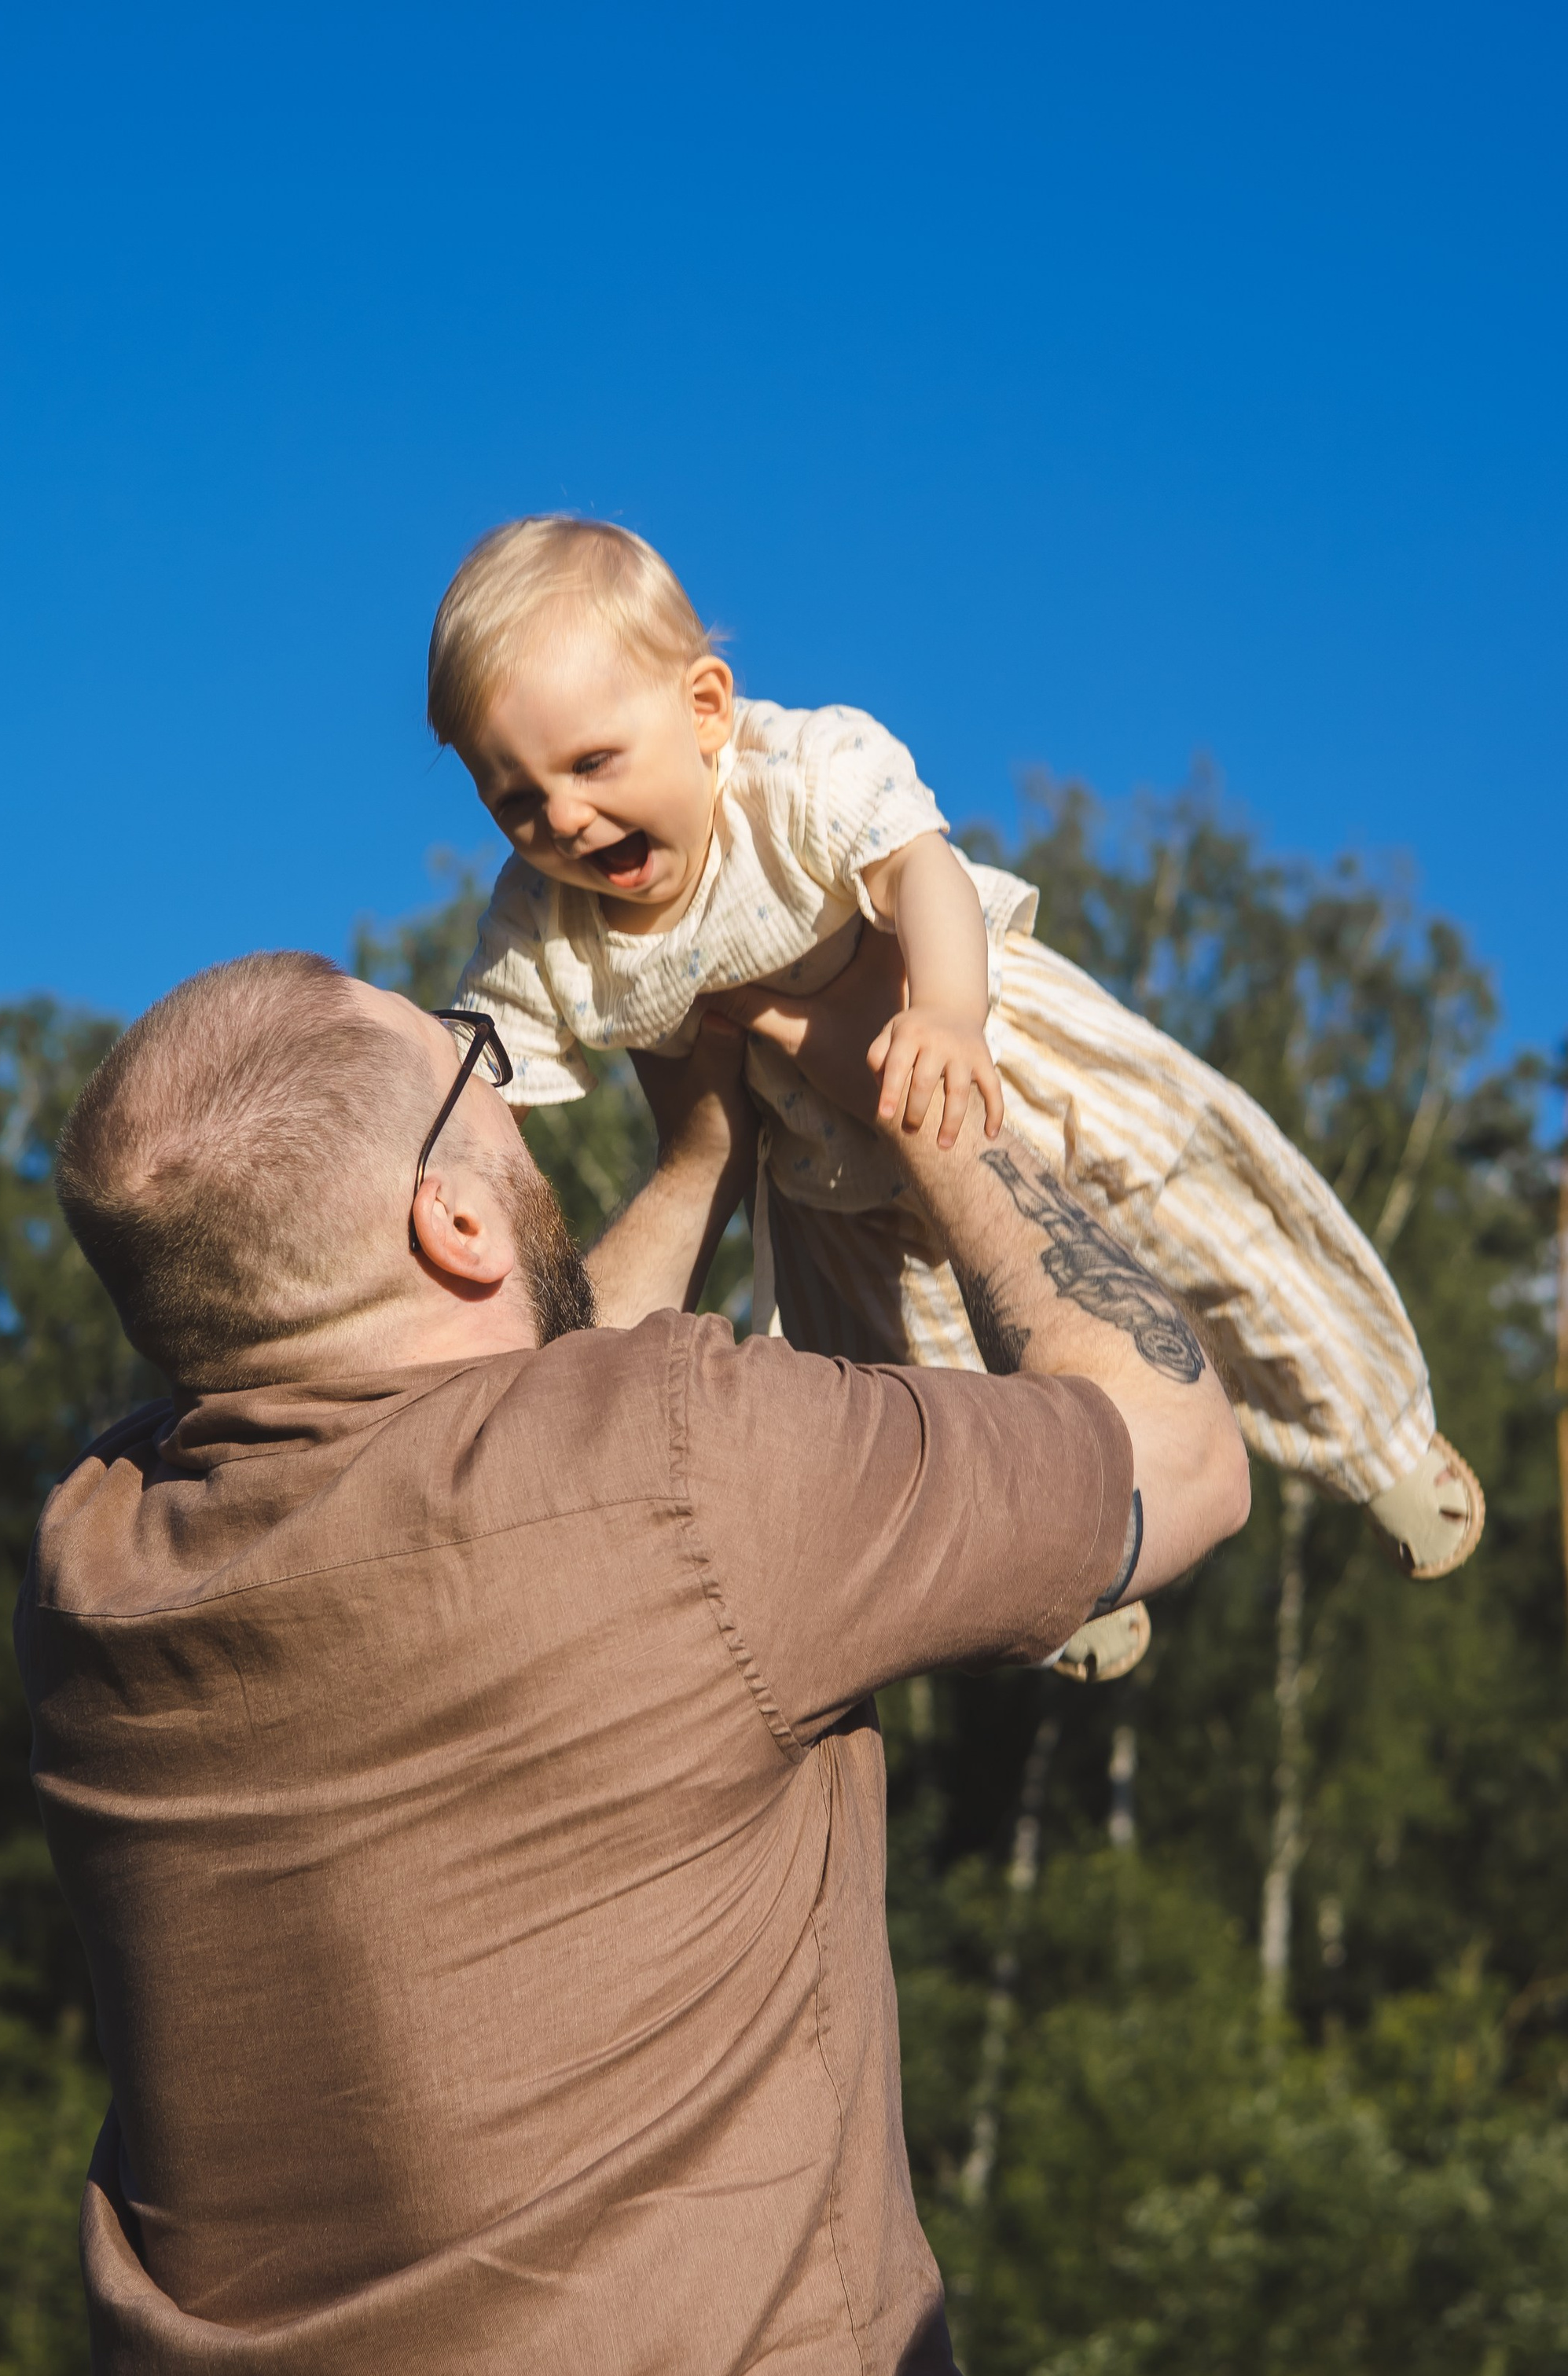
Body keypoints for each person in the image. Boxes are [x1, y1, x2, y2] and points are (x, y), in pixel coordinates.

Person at [18, 947, 1249, 2376]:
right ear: (457, 1212)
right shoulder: (693, 1466)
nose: (513, 1085)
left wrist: (689, 1148)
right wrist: (926, 1101)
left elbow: (496, 1420)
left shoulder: (92, 1567)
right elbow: (1175, 1462)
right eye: (479, 1066)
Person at [431, 513, 1482, 1680]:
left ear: (706, 708)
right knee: (926, 1378)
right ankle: (1065, 1569)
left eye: (590, 765)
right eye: (516, 801)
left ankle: (1374, 1428)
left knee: (1205, 1222)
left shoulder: (797, 778)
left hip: (993, 1054)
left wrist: (944, 1012)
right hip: (826, 1176)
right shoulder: (541, 918)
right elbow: (485, 1070)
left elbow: (920, 865)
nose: (563, 820)